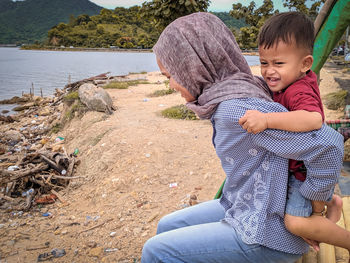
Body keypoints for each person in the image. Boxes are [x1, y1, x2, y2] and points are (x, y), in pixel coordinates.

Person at [141, 12, 344, 263]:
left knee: (155, 251)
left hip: (267, 232)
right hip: (244, 205)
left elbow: (329, 144)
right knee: (166, 226)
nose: (171, 85)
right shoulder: (237, 90)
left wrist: (317, 202)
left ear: (192, 67)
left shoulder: (236, 109)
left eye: (170, 76)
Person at [239, 12, 350, 252]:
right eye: (264, 62)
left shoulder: (297, 91)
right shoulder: (289, 82)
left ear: (305, 64)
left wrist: (267, 120)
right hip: (307, 167)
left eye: (278, 63)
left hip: (307, 173)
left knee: (295, 222)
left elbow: (313, 119)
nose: (269, 71)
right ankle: (333, 202)